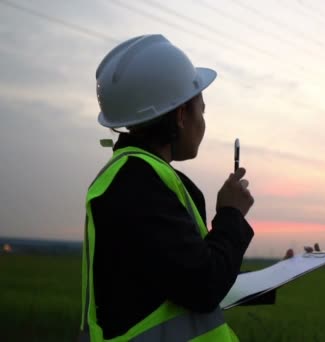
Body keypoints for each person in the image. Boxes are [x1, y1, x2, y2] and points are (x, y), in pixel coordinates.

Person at [79, 34, 268, 341]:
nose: (203, 122)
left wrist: (276, 277)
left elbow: (180, 276)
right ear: (182, 115)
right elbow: (203, 285)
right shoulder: (137, 184)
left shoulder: (136, 179)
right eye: (201, 110)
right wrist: (231, 214)